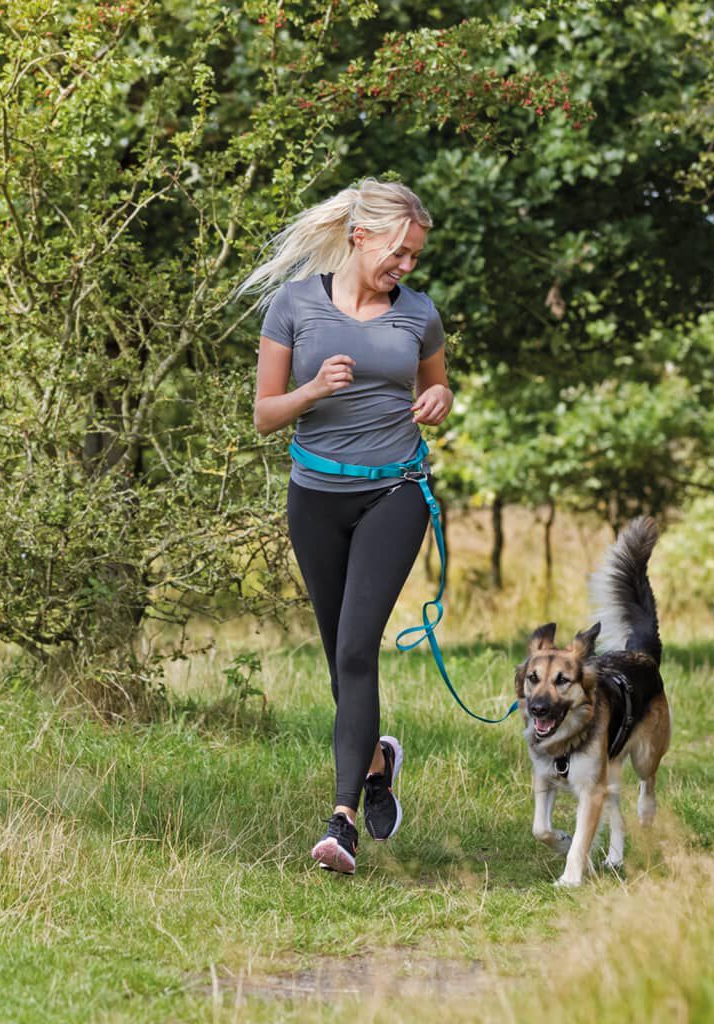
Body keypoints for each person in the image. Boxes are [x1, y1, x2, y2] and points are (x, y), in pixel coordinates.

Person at [246, 178, 453, 875]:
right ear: (360, 236)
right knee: (340, 657)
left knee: (359, 648)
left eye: (416, 257)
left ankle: (342, 821)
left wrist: (438, 397)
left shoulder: (418, 314)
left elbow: (438, 384)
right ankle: (378, 763)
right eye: (399, 251)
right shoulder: (294, 305)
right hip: (315, 497)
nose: (407, 267)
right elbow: (266, 415)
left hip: (394, 493)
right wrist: (312, 390)